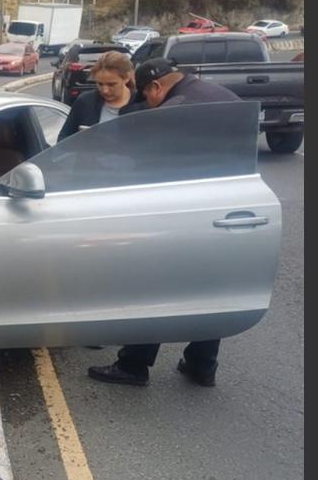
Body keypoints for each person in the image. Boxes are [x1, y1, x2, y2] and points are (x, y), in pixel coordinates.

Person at [87, 57, 241, 388]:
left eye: (145, 94)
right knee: (208, 290)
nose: (146, 101)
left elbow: (151, 166)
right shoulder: (223, 96)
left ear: (156, 87)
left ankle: (133, 365)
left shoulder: (175, 110)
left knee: (152, 287)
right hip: (225, 208)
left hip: (180, 213)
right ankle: (202, 365)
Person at [57, 51, 139, 141]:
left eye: (111, 84)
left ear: (126, 78)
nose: (105, 90)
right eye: (100, 84)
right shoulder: (85, 102)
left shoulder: (141, 103)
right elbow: (63, 139)